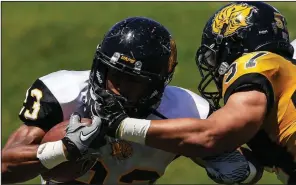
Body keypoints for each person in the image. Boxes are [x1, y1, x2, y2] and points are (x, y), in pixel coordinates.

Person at [2, 17, 260, 184]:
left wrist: (233, 165)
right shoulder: (64, 93)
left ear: (158, 85)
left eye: (135, 82)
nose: (119, 88)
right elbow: (4, 167)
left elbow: (243, 166)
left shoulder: (185, 110)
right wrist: (65, 149)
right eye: (115, 75)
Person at [93, 2, 296, 184]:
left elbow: (212, 134)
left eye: (212, 57)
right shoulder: (286, 72)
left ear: (234, 45)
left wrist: (121, 125)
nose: (214, 69)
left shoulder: (256, 64)